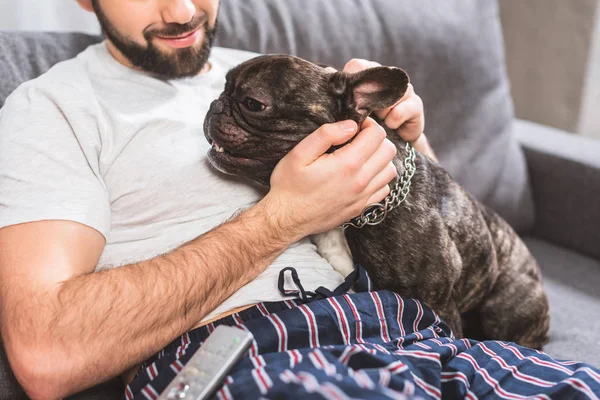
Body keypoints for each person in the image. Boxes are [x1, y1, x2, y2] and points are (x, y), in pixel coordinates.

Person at [0, 1, 598, 400]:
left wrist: (409, 147)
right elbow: (46, 351)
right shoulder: (53, 108)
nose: (181, 9)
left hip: (414, 331)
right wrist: (282, 218)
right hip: (242, 351)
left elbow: (442, 224)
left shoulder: (297, 79)